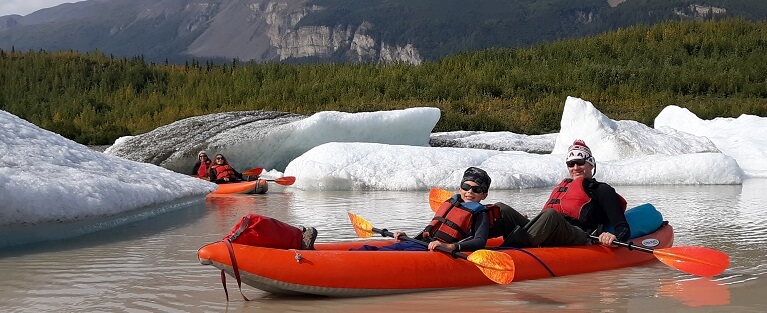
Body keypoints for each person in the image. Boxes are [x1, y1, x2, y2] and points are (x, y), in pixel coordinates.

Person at [495, 139, 630, 248]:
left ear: (591, 164)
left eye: (580, 163)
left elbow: (623, 228)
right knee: (501, 209)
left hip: (578, 234)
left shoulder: (602, 190)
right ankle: (476, 240)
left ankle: (505, 251)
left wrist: (614, 237)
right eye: (571, 164)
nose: (575, 168)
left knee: (551, 215)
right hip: (552, 228)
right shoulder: (564, 187)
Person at [355, 167, 494, 252]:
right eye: (466, 187)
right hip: (423, 243)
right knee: (372, 250)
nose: (470, 191)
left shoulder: (480, 213)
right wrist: (409, 238)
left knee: (384, 253)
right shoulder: (452, 203)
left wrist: (450, 247)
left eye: (476, 189)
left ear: (484, 195)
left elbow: (480, 242)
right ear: (459, 188)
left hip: (440, 250)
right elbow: (433, 229)